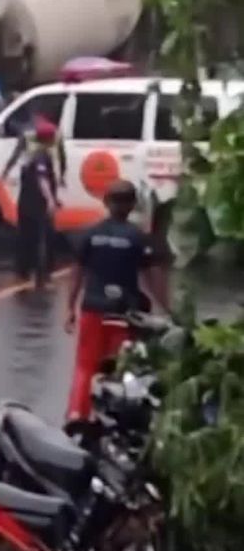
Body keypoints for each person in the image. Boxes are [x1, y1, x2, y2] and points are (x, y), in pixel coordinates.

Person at [65, 179, 169, 421]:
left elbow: (77, 273)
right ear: (132, 205)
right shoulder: (139, 238)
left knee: (85, 367)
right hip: (125, 314)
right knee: (123, 368)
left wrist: (70, 308)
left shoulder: (90, 235)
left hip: (93, 309)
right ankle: (115, 420)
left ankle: (77, 415)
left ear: (105, 203)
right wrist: (168, 310)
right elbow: (154, 280)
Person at [15, 117, 59, 289]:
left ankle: (23, 271)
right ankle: (43, 278)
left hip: (25, 202)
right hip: (37, 204)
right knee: (44, 240)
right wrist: (50, 200)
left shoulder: (30, 155)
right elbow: (42, 180)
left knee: (26, 238)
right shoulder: (42, 155)